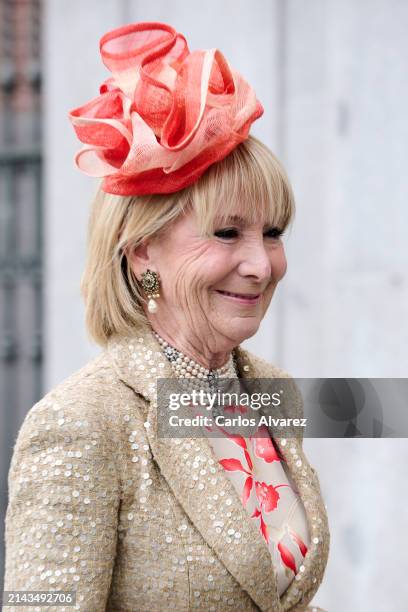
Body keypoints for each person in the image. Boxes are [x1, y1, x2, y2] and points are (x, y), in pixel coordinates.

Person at [3, 22, 329, 612]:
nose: (261, 264)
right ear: (142, 248)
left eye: (273, 233)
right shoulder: (81, 422)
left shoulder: (272, 392)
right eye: (227, 233)